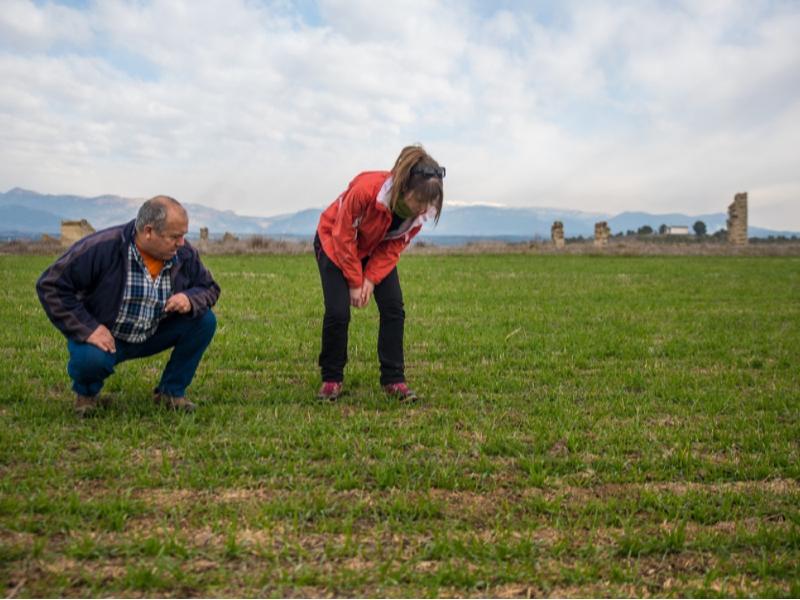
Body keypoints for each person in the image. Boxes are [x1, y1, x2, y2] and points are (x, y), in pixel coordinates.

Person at [36, 195, 220, 417]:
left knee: (204, 321)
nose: (181, 243)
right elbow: (51, 285)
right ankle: (86, 395)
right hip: (107, 337)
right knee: (90, 360)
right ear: (148, 231)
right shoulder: (102, 247)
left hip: (152, 332)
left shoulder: (183, 253)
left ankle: (170, 393)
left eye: (183, 236)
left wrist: (191, 299)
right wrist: (88, 328)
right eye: (174, 236)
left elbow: (208, 287)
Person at [314, 144, 444, 402]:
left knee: (394, 307)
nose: (422, 209)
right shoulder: (367, 192)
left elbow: (394, 244)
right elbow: (343, 234)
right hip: (334, 241)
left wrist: (371, 279)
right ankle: (331, 379)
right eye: (418, 201)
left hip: (374, 248)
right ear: (403, 186)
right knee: (338, 312)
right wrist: (354, 280)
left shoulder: (418, 216)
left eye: (427, 203)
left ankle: (393, 380)